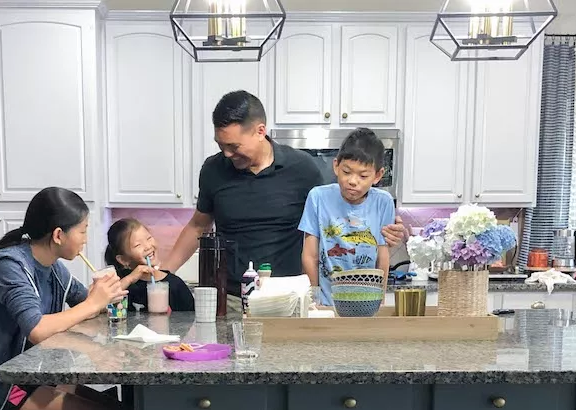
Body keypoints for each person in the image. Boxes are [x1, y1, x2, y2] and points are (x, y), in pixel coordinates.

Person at [161, 90, 408, 311]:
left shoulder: (302, 168)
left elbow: (338, 215)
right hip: (232, 300)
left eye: (234, 146)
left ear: (260, 131)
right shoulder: (213, 169)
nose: (227, 153)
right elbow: (198, 226)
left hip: (289, 300)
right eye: (221, 145)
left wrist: (391, 231)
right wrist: (163, 273)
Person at [0, 186, 132, 410]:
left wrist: (103, 297)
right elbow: (37, 329)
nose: (85, 239)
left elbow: (85, 303)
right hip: (3, 389)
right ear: (59, 235)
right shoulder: (10, 267)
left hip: (35, 379)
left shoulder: (53, 268)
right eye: (83, 231)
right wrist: (93, 304)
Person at [299, 128, 395, 306]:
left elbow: (382, 256)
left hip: (367, 303)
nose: (352, 181)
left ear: (378, 175)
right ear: (336, 166)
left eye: (363, 175)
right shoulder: (318, 197)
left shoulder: (384, 202)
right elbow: (309, 255)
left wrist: (379, 301)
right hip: (327, 302)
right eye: (347, 172)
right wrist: (314, 299)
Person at [105, 218, 195, 312]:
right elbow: (99, 303)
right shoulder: (118, 283)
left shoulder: (174, 285)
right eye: (138, 245)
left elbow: (192, 320)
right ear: (123, 259)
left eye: (149, 238)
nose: (148, 247)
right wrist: (130, 279)